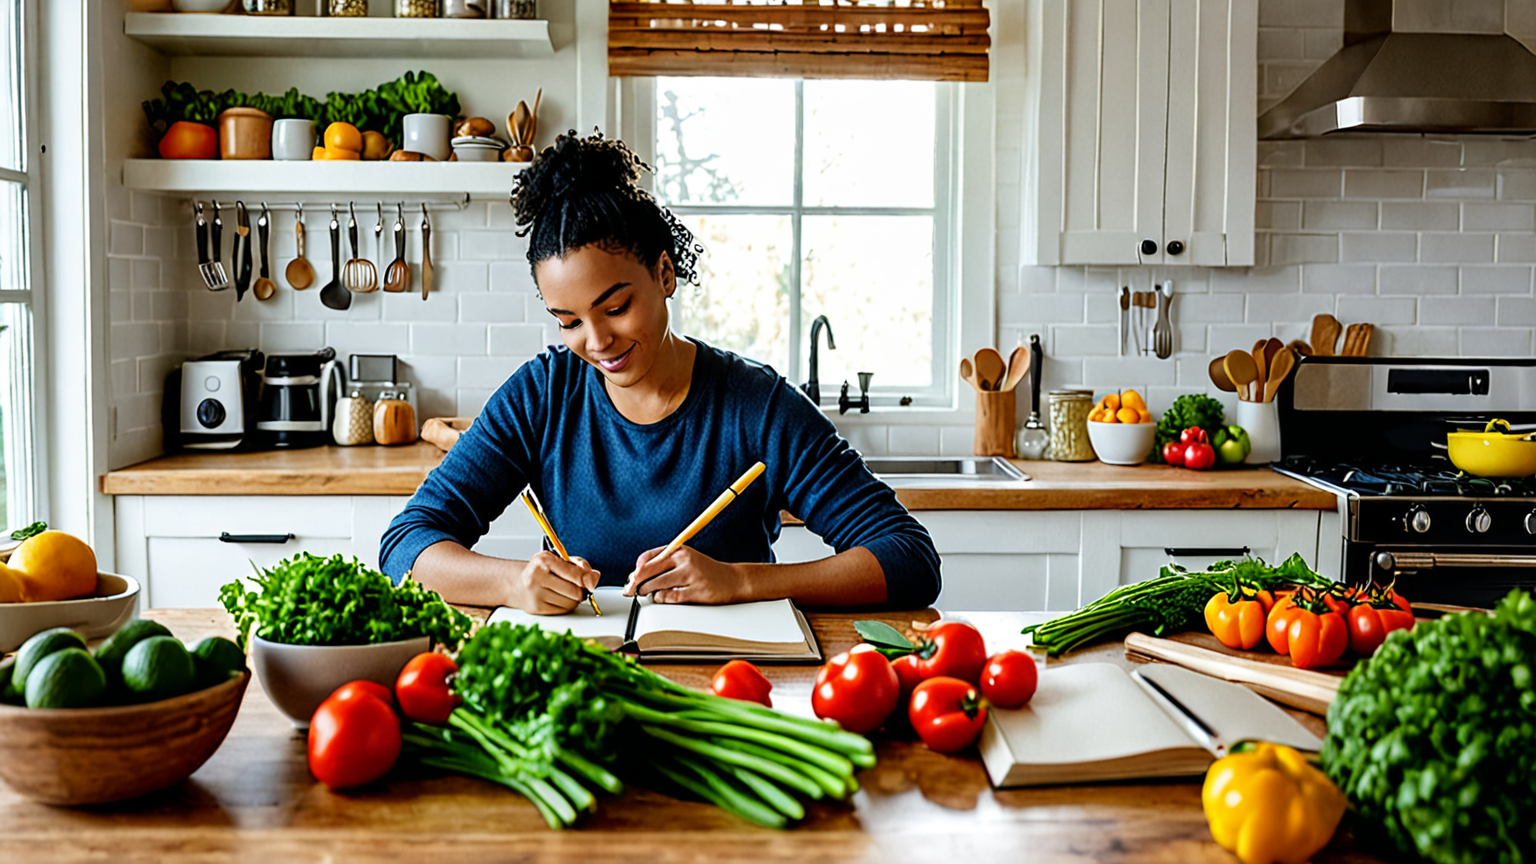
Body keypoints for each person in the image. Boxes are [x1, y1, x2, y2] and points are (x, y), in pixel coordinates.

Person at [380, 130, 940, 614]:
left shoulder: (756, 405)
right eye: (569, 321)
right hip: (587, 685)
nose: (597, 343)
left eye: (616, 308)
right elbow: (405, 544)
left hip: (732, 687)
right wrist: (510, 582)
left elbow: (908, 556)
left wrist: (743, 581)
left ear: (665, 274)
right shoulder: (543, 395)